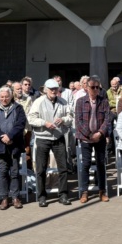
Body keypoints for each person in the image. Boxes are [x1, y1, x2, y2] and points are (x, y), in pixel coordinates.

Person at [28, 79, 73, 207]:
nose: (54, 91)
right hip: (43, 137)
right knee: (41, 169)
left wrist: (63, 119)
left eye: (56, 89)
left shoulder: (63, 102)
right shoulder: (38, 102)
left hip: (58, 137)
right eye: (51, 89)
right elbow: (31, 118)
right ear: (46, 90)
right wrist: (44, 123)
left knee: (63, 168)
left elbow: (70, 117)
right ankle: (41, 196)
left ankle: (63, 195)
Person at [0, 86, 27, 209]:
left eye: (6, 97)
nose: (4, 99)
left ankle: (15, 197)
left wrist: (10, 136)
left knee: (14, 172)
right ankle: (4, 198)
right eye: (2, 97)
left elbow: (20, 124)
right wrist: (2, 136)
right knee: (2, 172)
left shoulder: (18, 108)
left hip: (14, 144)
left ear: (11, 96)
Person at [75, 76, 112, 203]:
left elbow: (107, 119)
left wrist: (100, 133)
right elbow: (78, 122)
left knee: (101, 164)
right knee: (86, 164)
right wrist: (90, 135)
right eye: (93, 87)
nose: (95, 89)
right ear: (87, 88)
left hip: (100, 139)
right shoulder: (80, 101)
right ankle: (84, 192)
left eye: (97, 87)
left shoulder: (104, 101)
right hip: (86, 139)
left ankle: (102, 191)